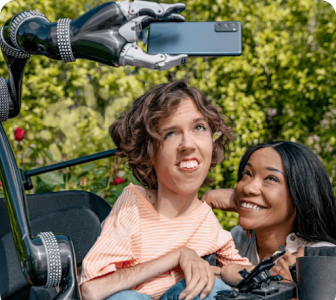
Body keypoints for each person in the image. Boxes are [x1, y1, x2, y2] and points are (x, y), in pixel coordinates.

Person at [79, 81, 252, 300]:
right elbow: (91, 290)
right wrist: (178, 256)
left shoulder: (208, 223)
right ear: (149, 153)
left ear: (212, 140)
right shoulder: (135, 205)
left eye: (199, 127)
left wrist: (284, 270)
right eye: (170, 134)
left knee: (211, 288)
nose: (188, 144)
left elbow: (244, 274)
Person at [202, 141, 336, 280]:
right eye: (247, 173)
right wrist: (206, 203)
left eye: (271, 178)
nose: (248, 188)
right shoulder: (236, 240)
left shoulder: (322, 257)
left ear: (300, 196)